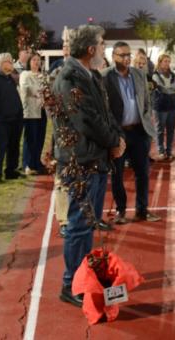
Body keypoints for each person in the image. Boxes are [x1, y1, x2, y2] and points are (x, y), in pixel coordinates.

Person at [53, 25, 125, 307]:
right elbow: (86, 120)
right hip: (81, 161)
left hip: (95, 159)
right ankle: (71, 284)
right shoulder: (70, 77)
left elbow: (104, 114)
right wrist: (112, 142)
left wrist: (117, 137)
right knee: (79, 226)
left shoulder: (90, 75)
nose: (105, 48)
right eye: (102, 44)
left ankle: (82, 277)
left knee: (87, 225)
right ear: (91, 49)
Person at [104, 42, 161, 224]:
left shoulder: (139, 74)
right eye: (122, 55)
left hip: (138, 131)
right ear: (114, 56)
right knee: (117, 174)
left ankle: (142, 210)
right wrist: (112, 132)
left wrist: (146, 119)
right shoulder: (105, 77)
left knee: (142, 172)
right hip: (118, 133)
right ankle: (121, 211)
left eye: (129, 54)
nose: (127, 58)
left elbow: (146, 101)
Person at [0, 53, 24, 182]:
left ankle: (11, 171)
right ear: (1, 64)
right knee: (0, 149)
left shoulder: (10, 79)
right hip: (2, 121)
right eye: (9, 62)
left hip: (16, 119)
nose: (11, 64)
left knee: (14, 146)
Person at [19, 52, 47, 176]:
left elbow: (47, 90)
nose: (36, 62)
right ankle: (27, 164)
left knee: (40, 138)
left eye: (38, 60)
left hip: (41, 110)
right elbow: (27, 89)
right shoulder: (25, 74)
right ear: (29, 62)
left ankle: (36, 162)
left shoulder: (42, 76)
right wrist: (40, 90)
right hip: (30, 112)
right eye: (34, 60)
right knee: (30, 138)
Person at [151, 54, 175, 161]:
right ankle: (161, 151)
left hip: (173, 105)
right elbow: (162, 88)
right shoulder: (155, 75)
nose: (167, 63)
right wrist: (171, 89)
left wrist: (170, 89)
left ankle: (169, 151)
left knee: (171, 130)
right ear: (160, 62)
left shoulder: (172, 74)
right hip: (160, 106)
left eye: (168, 61)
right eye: (165, 61)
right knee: (160, 129)